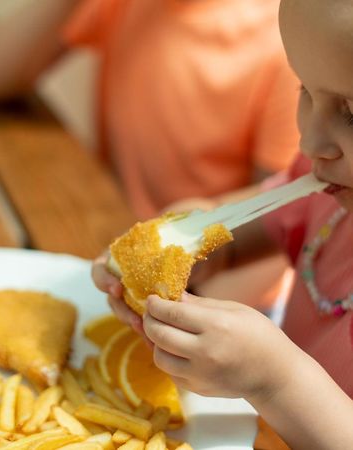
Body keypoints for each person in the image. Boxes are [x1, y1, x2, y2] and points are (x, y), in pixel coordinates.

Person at [92, 0, 353, 447]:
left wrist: (275, 381)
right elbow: (230, 232)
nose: (310, 141)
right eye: (305, 90)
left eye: (351, 111)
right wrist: (180, 245)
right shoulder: (330, 187)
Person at [0, 0, 300, 311]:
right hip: (117, 247)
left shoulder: (285, 41)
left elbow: (281, 225)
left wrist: (179, 312)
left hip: (221, 295)